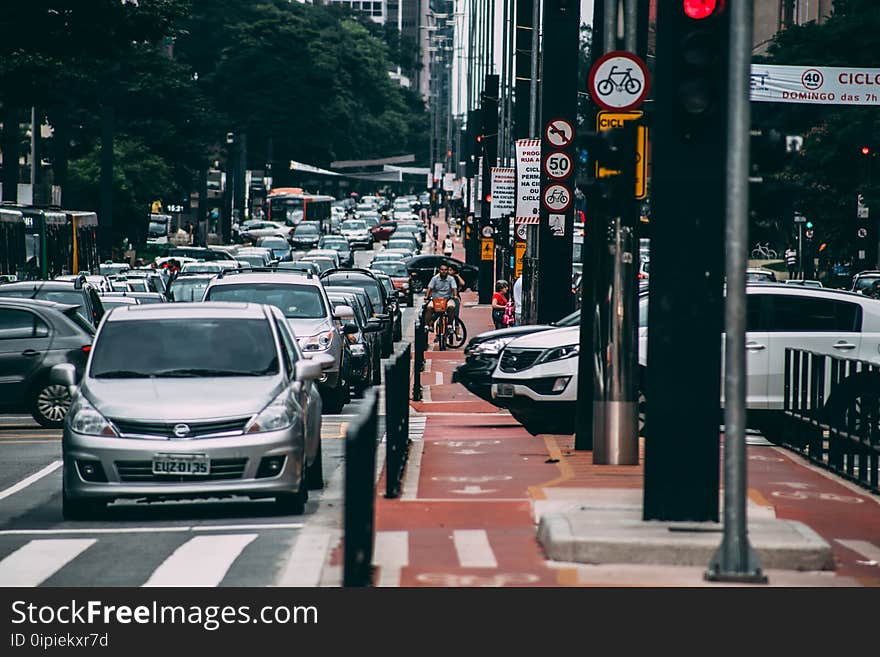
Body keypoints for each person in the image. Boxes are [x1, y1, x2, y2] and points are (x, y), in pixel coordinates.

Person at [423, 263, 459, 333]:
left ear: (447, 271)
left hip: (447, 299)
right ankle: (427, 325)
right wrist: (426, 297)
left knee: (451, 307)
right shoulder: (434, 279)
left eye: (445, 270)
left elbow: (454, 288)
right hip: (436, 300)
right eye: (442, 270)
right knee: (429, 308)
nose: (444, 271)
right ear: (439, 270)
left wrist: (455, 296)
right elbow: (429, 288)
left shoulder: (451, 279)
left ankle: (450, 325)